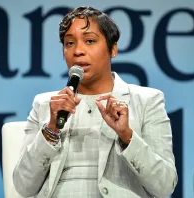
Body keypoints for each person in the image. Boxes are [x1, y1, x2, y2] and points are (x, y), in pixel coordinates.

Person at [13, 6, 178, 198]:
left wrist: (127, 136)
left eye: (90, 41)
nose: (78, 51)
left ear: (113, 48)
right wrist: (51, 129)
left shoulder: (146, 101)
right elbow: (23, 186)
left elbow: (165, 185)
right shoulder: (46, 105)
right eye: (69, 43)